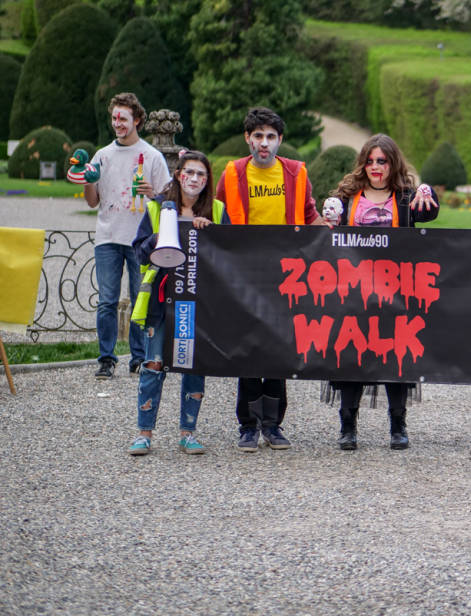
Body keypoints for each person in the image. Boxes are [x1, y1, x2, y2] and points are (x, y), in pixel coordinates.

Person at [215, 107, 323, 452]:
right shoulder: (231, 174)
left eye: (271, 137)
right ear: (248, 138)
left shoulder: (296, 173)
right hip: (244, 275)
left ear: (280, 141)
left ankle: (274, 425)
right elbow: (216, 214)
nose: (264, 144)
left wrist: (323, 223)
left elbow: (309, 216)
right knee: (248, 350)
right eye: (258, 136)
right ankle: (247, 426)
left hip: (286, 274)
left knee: (278, 350)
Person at [325, 134, 439, 451]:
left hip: (396, 293)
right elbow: (329, 234)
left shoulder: (405, 197)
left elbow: (429, 213)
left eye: (383, 161)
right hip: (352, 292)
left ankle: (398, 426)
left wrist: (427, 193)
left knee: (396, 358)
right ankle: (347, 426)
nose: (376, 167)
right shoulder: (348, 197)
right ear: (364, 163)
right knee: (350, 356)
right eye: (371, 160)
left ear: (393, 163)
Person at [128, 150, 228, 456]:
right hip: (161, 300)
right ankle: (144, 433)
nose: (194, 179)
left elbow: (229, 254)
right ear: (178, 174)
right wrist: (159, 237)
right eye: (189, 172)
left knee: (193, 364)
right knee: (153, 363)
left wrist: (210, 232)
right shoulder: (158, 206)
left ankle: (188, 432)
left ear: (207, 180)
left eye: (201, 174)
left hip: (199, 301)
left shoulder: (218, 210)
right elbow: (139, 252)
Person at [77, 93, 170, 379]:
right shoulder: (102, 156)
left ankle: (138, 357)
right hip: (107, 236)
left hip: (139, 239)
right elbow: (92, 201)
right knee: (107, 300)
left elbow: (169, 199)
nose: (117, 123)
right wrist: (88, 181)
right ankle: (106, 358)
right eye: (114, 118)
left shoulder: (152, 157)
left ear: (137, 120)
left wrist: (152, 194)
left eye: (123, 118)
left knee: (139, 298)